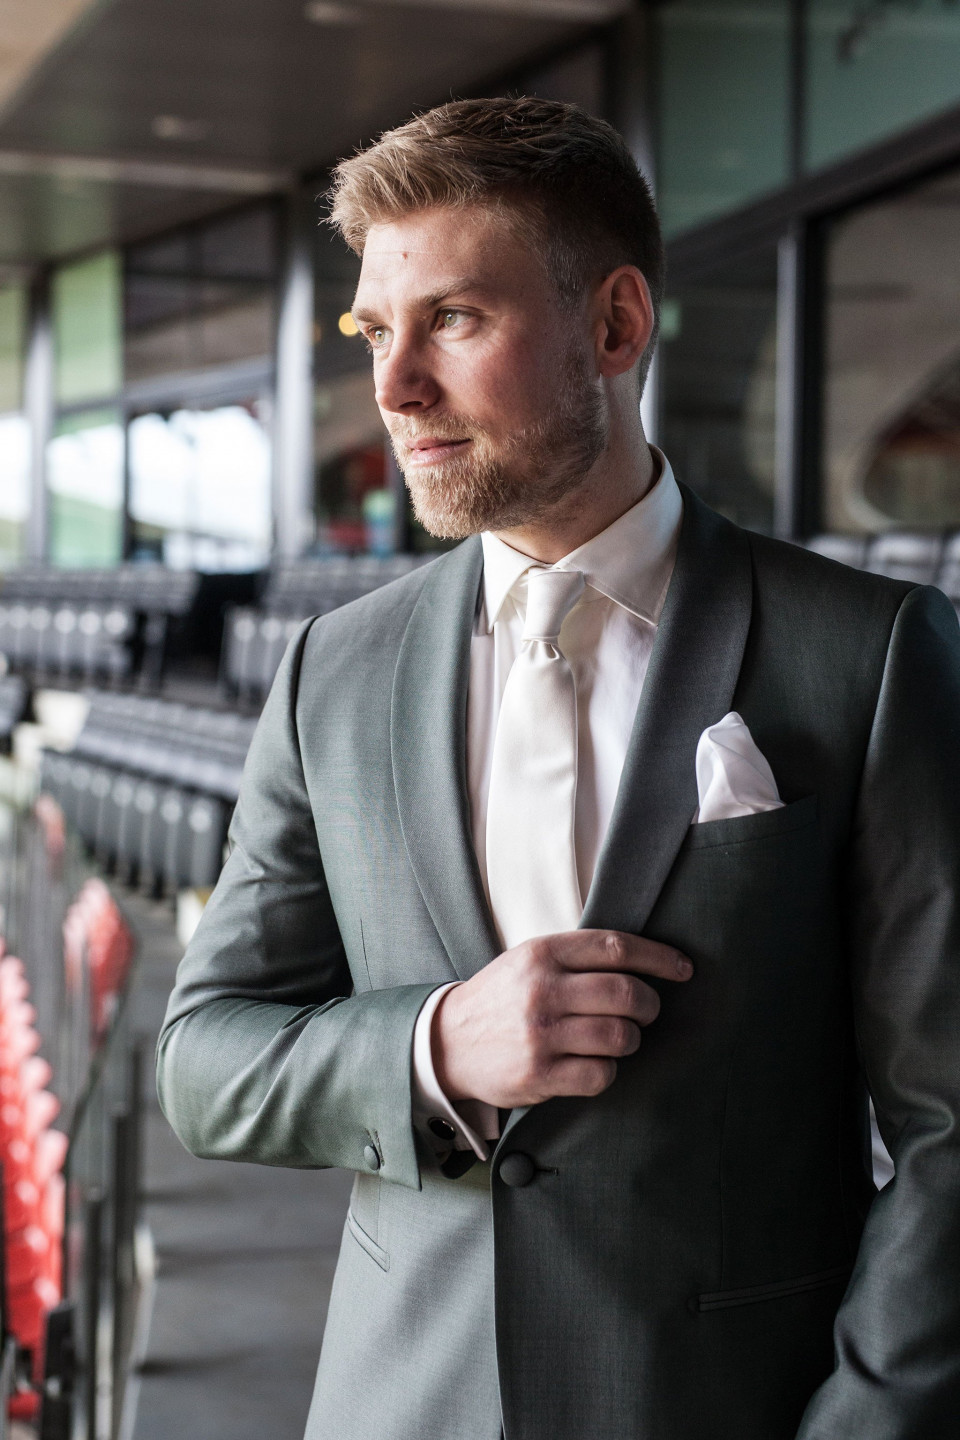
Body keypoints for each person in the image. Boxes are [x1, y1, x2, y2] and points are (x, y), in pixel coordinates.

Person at [156, 98, 960, 1440]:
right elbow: (204, 1058)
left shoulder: (869, 655)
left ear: (617, 326)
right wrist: (432, 1050)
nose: (396, 388)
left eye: (455, 321)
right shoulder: (331, 673)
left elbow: (949, 1129)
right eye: (374, 332)